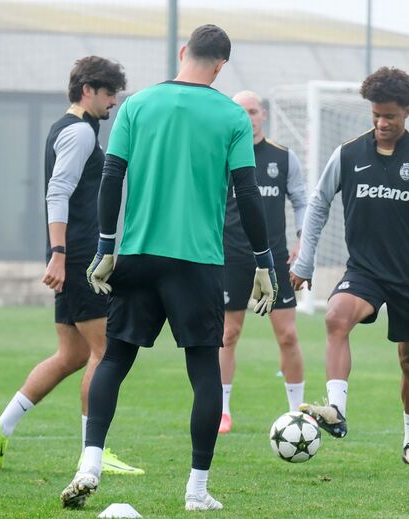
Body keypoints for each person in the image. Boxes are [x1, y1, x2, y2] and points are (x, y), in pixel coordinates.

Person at [59, 25, 277, 511]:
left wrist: (107, 247)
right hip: (197, 263)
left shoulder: (137, 105)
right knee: (203, 371)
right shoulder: (231, 115)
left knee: (115, 359)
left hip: (138, 255)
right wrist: (263, 262)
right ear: (221, 65)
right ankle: (196, 491)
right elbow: (247, 192)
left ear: (183, 53)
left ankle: (89, 464)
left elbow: (112, 176)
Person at [0, 56, 141, 476]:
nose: (114, 101)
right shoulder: (79, 132)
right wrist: (60, 253)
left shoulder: (68, 128)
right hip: (80, 257)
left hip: (73, 255)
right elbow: (58, 192)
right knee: (106, 352)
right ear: (88, 90)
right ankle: (93, 452)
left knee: (72, 354)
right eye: (109, 93)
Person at [290, 66, 409, 468]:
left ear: (407, 112)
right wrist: (305, 260)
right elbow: (318, 204)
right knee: (336, 317)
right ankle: (336, 409)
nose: (383, 123)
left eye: (391, 116)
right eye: (376, 115)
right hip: (364, 271)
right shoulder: (348, 154)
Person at [218, 90, 308, 433]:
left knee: (287, 335)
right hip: (231, 256)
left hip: (273, 258)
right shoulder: (222, 155)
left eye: (253, 111)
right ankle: (222, 411)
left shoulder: (283, 157)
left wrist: (302, 240)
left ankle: (297, 411)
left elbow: (301, 200)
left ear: (263, 115)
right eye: (242, 112)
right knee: (228, 334)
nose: (249, 118)